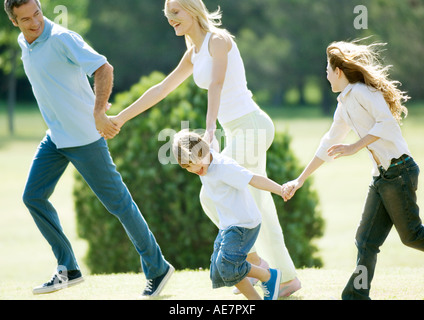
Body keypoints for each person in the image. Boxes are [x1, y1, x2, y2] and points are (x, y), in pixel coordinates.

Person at [110, 0, 300, 297]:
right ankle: (274, 274)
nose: (171, 19)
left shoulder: (219, 41)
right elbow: (161, 89)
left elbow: (217, 84)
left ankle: (260, 268)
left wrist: (209, 128)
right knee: (253, 204)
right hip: (236, 130)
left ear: (192, 10)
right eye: (167, 14)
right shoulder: (193, 53)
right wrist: (120, 117)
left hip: (251, 125)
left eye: (176, 12)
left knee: (217, 196)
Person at [4, 0, 173, 297]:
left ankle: (158, 269)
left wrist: (98, 112)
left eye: (38, 14)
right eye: (26, 19)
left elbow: (103, 67)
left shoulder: (61, 38)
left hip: (85, 138)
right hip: (55, 138)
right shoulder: (24, 42)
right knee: (33, 197)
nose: (35, 23)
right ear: (14, 22)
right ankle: (68, 268)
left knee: (119, 204)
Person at [282, 39, 424, 300]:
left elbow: (387, 123)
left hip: (399, 172)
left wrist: (355, 146)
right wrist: (300, 180)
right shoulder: (345, 103)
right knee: (366, 240)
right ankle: (355, 297)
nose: (325, 75)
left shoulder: (360, 92)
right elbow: (329, 143)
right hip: (382, 177)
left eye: (327, 70)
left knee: (412, 236)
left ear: (338, 71)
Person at [172, 130, 284, 300]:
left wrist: (280, 189)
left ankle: (268, 276)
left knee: (227, 265)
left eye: (194, 163)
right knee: (220, 268)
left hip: (243, 223)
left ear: (204, 152)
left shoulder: (224, 166)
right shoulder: (204, 163)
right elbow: (209, 144)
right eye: (187, 167)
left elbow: (253, 178)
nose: (194, 169)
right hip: (228, 225)